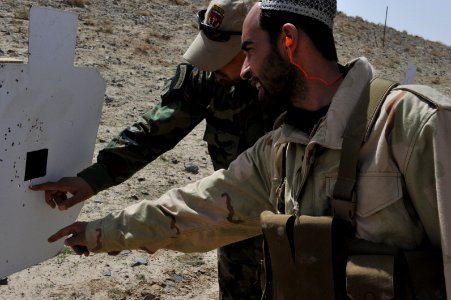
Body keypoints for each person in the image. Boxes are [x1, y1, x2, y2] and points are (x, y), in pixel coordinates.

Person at [36, 0, 451, 297]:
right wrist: (96, 232)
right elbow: (197, 208)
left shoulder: (416, 125)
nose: (244, 68)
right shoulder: (279, 150)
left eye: (249, 49)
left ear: (288, 41)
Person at [30, 0, 287, 299]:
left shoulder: (293, 88)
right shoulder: (206, 74)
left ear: (252, 46)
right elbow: (157, 129)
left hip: (288, 222)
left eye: (221, 56)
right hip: (228, 215)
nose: (210, 65)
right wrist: (94, 178)